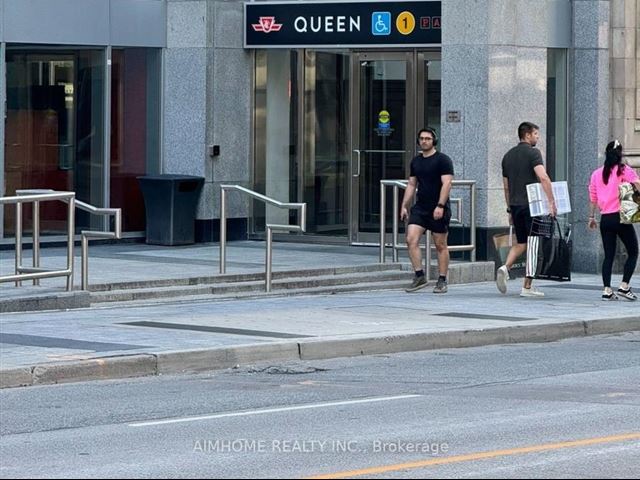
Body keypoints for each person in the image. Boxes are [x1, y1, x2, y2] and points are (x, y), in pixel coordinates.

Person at [496, 122, 557, 297]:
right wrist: (551, 202)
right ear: (527, 135)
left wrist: (509, 210)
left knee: (521, 243)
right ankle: (527, 287)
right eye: (536, 134)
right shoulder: (533, 153)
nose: (538, 137)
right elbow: (543, 177)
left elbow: (506, 187)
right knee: (533, 244)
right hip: (531, 206)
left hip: (515, 206)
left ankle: (505, 267)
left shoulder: (507, 156)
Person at [400, 127, 454, 294]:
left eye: (428, 139)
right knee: (411, 239)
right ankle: (419, 276)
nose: (424, 141)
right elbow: (411, 184)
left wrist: (440, 206)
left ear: (434, 141)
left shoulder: (443, 160)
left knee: (440, 245)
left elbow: (447, 183)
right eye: (422, 139)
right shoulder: (416, 161)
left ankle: (442, 279)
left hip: (438, 207)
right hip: (420, 208)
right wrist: (404, 205)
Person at [588, 140, 640, 301]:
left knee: (608, 255)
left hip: (605, 219)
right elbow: (638, 185)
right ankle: (624, 286)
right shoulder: (624, 170)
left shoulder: (597, 174)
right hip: (621, 217)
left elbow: (593, 198)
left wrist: (591, 217)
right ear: (620, 154)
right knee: (633, 251)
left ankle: (607, 290)